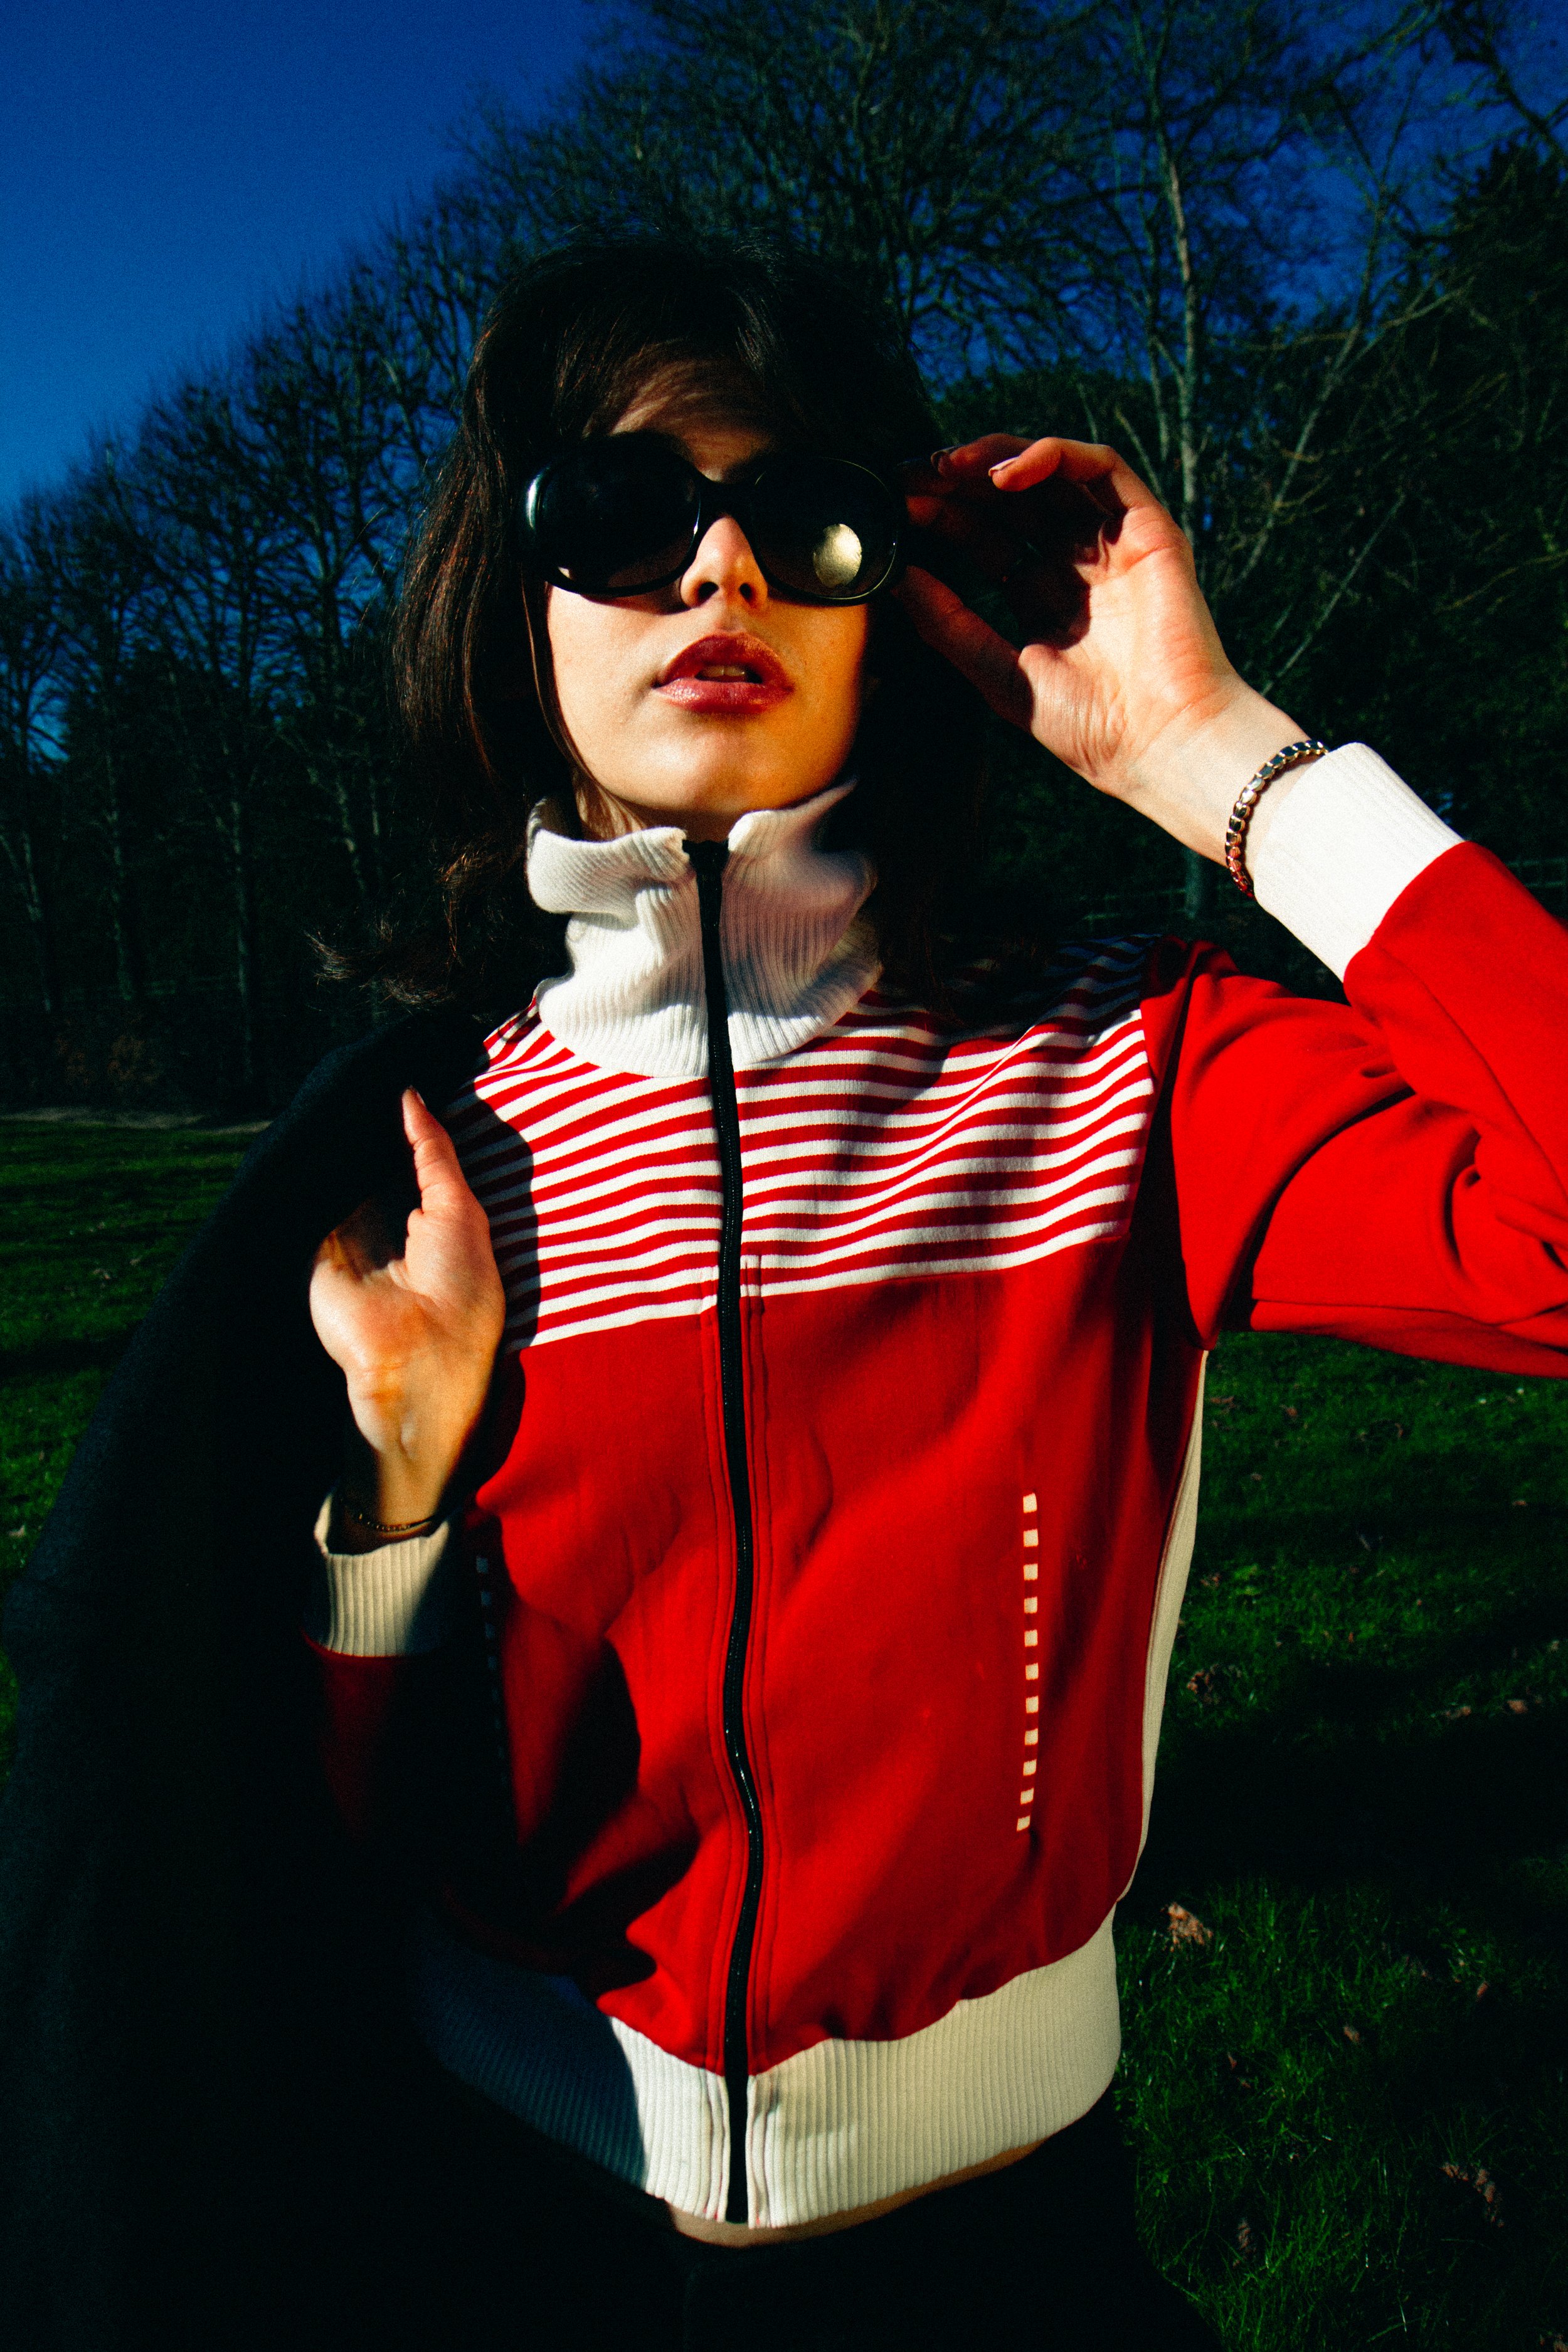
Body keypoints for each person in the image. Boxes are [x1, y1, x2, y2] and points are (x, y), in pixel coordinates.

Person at [4, 237, 1566, 2352]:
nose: (720, 572)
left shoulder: (1130, 1060)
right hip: (494, 2243)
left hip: (1000, 2266)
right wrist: (384, 1515)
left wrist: (1211, 753)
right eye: (625, 514)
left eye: (797, 516)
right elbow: (288, 1834)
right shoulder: (417, 1147)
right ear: (507, 587)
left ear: (879, 595)